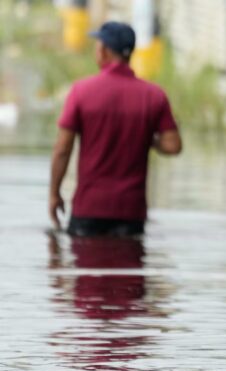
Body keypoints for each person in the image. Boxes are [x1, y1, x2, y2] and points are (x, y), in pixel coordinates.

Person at [49, 21, 181, 237]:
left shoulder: (81, 91)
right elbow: (173, 145)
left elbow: (62, 149)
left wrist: (54, 194)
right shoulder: (154, 95)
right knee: (128, 268)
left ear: (103, 51)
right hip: (131, 211)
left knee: (86, 268)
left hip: (89, 207)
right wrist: (146, 135)